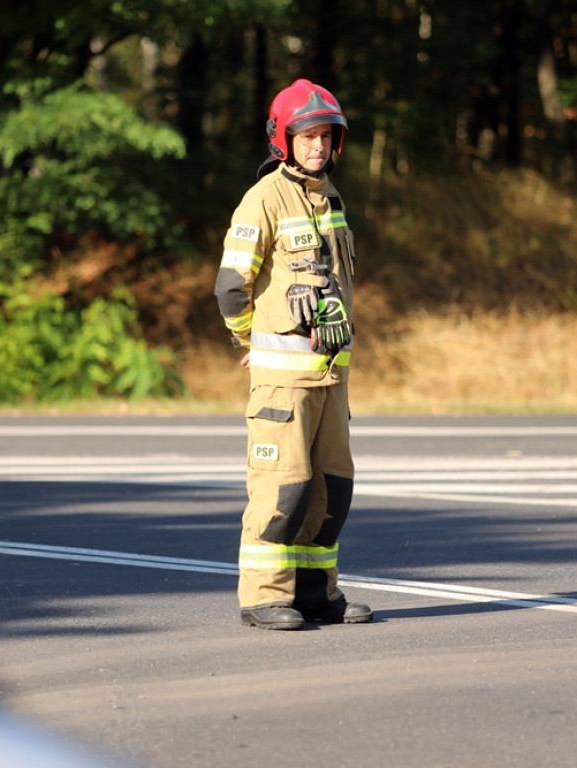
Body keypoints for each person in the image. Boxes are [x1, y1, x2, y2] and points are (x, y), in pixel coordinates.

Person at [214, 78, 372, 630]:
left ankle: (315, 593)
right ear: (283, 139)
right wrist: (248, 340)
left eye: (326, 136)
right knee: (283, 489)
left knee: (330, 491)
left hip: (331, 377)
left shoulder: (330, 198)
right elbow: (230, 287)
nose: (318, 146)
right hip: (283, 381)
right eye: (307, 136)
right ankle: (263, 596)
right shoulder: (263, 199)